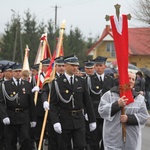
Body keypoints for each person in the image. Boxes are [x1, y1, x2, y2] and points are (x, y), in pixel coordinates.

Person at [50, 54, 96, 150]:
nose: (75, 68)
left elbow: (87, 102)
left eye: (76, 65)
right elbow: (53, 104)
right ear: (66, 65)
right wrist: (55, 121)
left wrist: (92, 119)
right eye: (72, 65)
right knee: (64, 146)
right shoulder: (57, 82)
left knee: (80, 145)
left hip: (79, 119)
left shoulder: (81, 81)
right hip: (64, 118)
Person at [98, 72, 149, 150]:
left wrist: (129, 118)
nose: (131, 81)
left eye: (133, 79)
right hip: (113, 137)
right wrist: (117, 105)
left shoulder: (139, 98)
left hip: (131, 138)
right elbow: (102, 110)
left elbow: (144, 116)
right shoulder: (109, 95)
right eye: (129, 78)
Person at [0, 62, 36, 150]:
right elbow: (1, 102)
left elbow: (31, 103)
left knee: (26, 139)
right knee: (11, 140)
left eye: (20, 71)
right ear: (12, 72)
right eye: (16, 71)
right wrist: (4, 116)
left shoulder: (27, 84)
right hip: (11, 115)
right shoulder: (5, 85)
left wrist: (33, 119)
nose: (18, 73)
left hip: (24, 116)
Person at [86, 56, 114, 150]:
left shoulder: (110, 79)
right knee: (94, 139)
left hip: (106, 113)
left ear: (104, 67)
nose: (98, 67)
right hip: (94, 113)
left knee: (105, 139)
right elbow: (86, 97)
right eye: (96, 66)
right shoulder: (89, 79)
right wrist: (86, 112)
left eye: (100, 65)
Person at [42, 56, 65, 150]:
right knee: (53, 140)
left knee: (64, 141)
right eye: (59, 65)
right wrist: (44, 101)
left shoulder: (69, 79)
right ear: (55, 67)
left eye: (63, 65)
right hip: (53, 112)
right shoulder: (51, 79)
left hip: (65, 113)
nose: (61, 68)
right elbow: (44, 91)